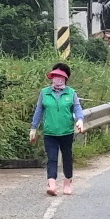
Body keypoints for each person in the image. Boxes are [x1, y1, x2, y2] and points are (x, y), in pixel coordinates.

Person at [30, 63, 85, 196]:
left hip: (66, 132)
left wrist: (80, 119)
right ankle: (52, 184)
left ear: (65, 78)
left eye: (60, 77)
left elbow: (77, 109)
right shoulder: (45, 93)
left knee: (67, 157)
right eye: (54, 76)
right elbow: (39, 111)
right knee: (52, 158)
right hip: (50, 132)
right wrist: (33, 128)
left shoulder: (71, 93)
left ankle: (67, 183)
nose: (57, 79)